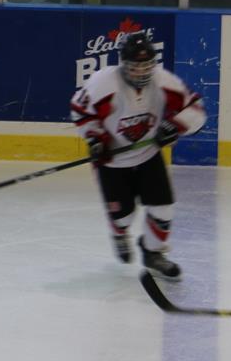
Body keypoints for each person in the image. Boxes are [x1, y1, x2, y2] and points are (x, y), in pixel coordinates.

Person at [69, 31, 208, 279]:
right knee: (124, 216)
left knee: (163, 208)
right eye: (135, 66)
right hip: (112, 161)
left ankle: (153, 253)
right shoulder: (103, 83)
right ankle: (119, 232)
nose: (141, 72)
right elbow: (81, 111)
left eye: (146, 66)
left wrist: (174, 126)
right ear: (123, 64)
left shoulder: (164, 81)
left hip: (147, 155)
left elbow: (196, 110)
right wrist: (95, 138)